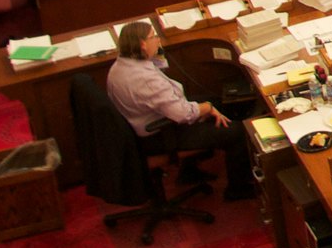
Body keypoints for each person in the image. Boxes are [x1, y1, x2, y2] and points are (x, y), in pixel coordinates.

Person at [106, 21, 255, 200]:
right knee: (237, 132)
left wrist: (207, 107)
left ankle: (188, 171)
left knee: (219, 102)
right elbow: (183, 114)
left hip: (144, 125)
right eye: (154, 37)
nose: (158, 40)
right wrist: (206, 108)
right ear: (142, 44)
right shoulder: (145, 80)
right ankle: (237, 189)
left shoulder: (121, 65)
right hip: (160, 135)